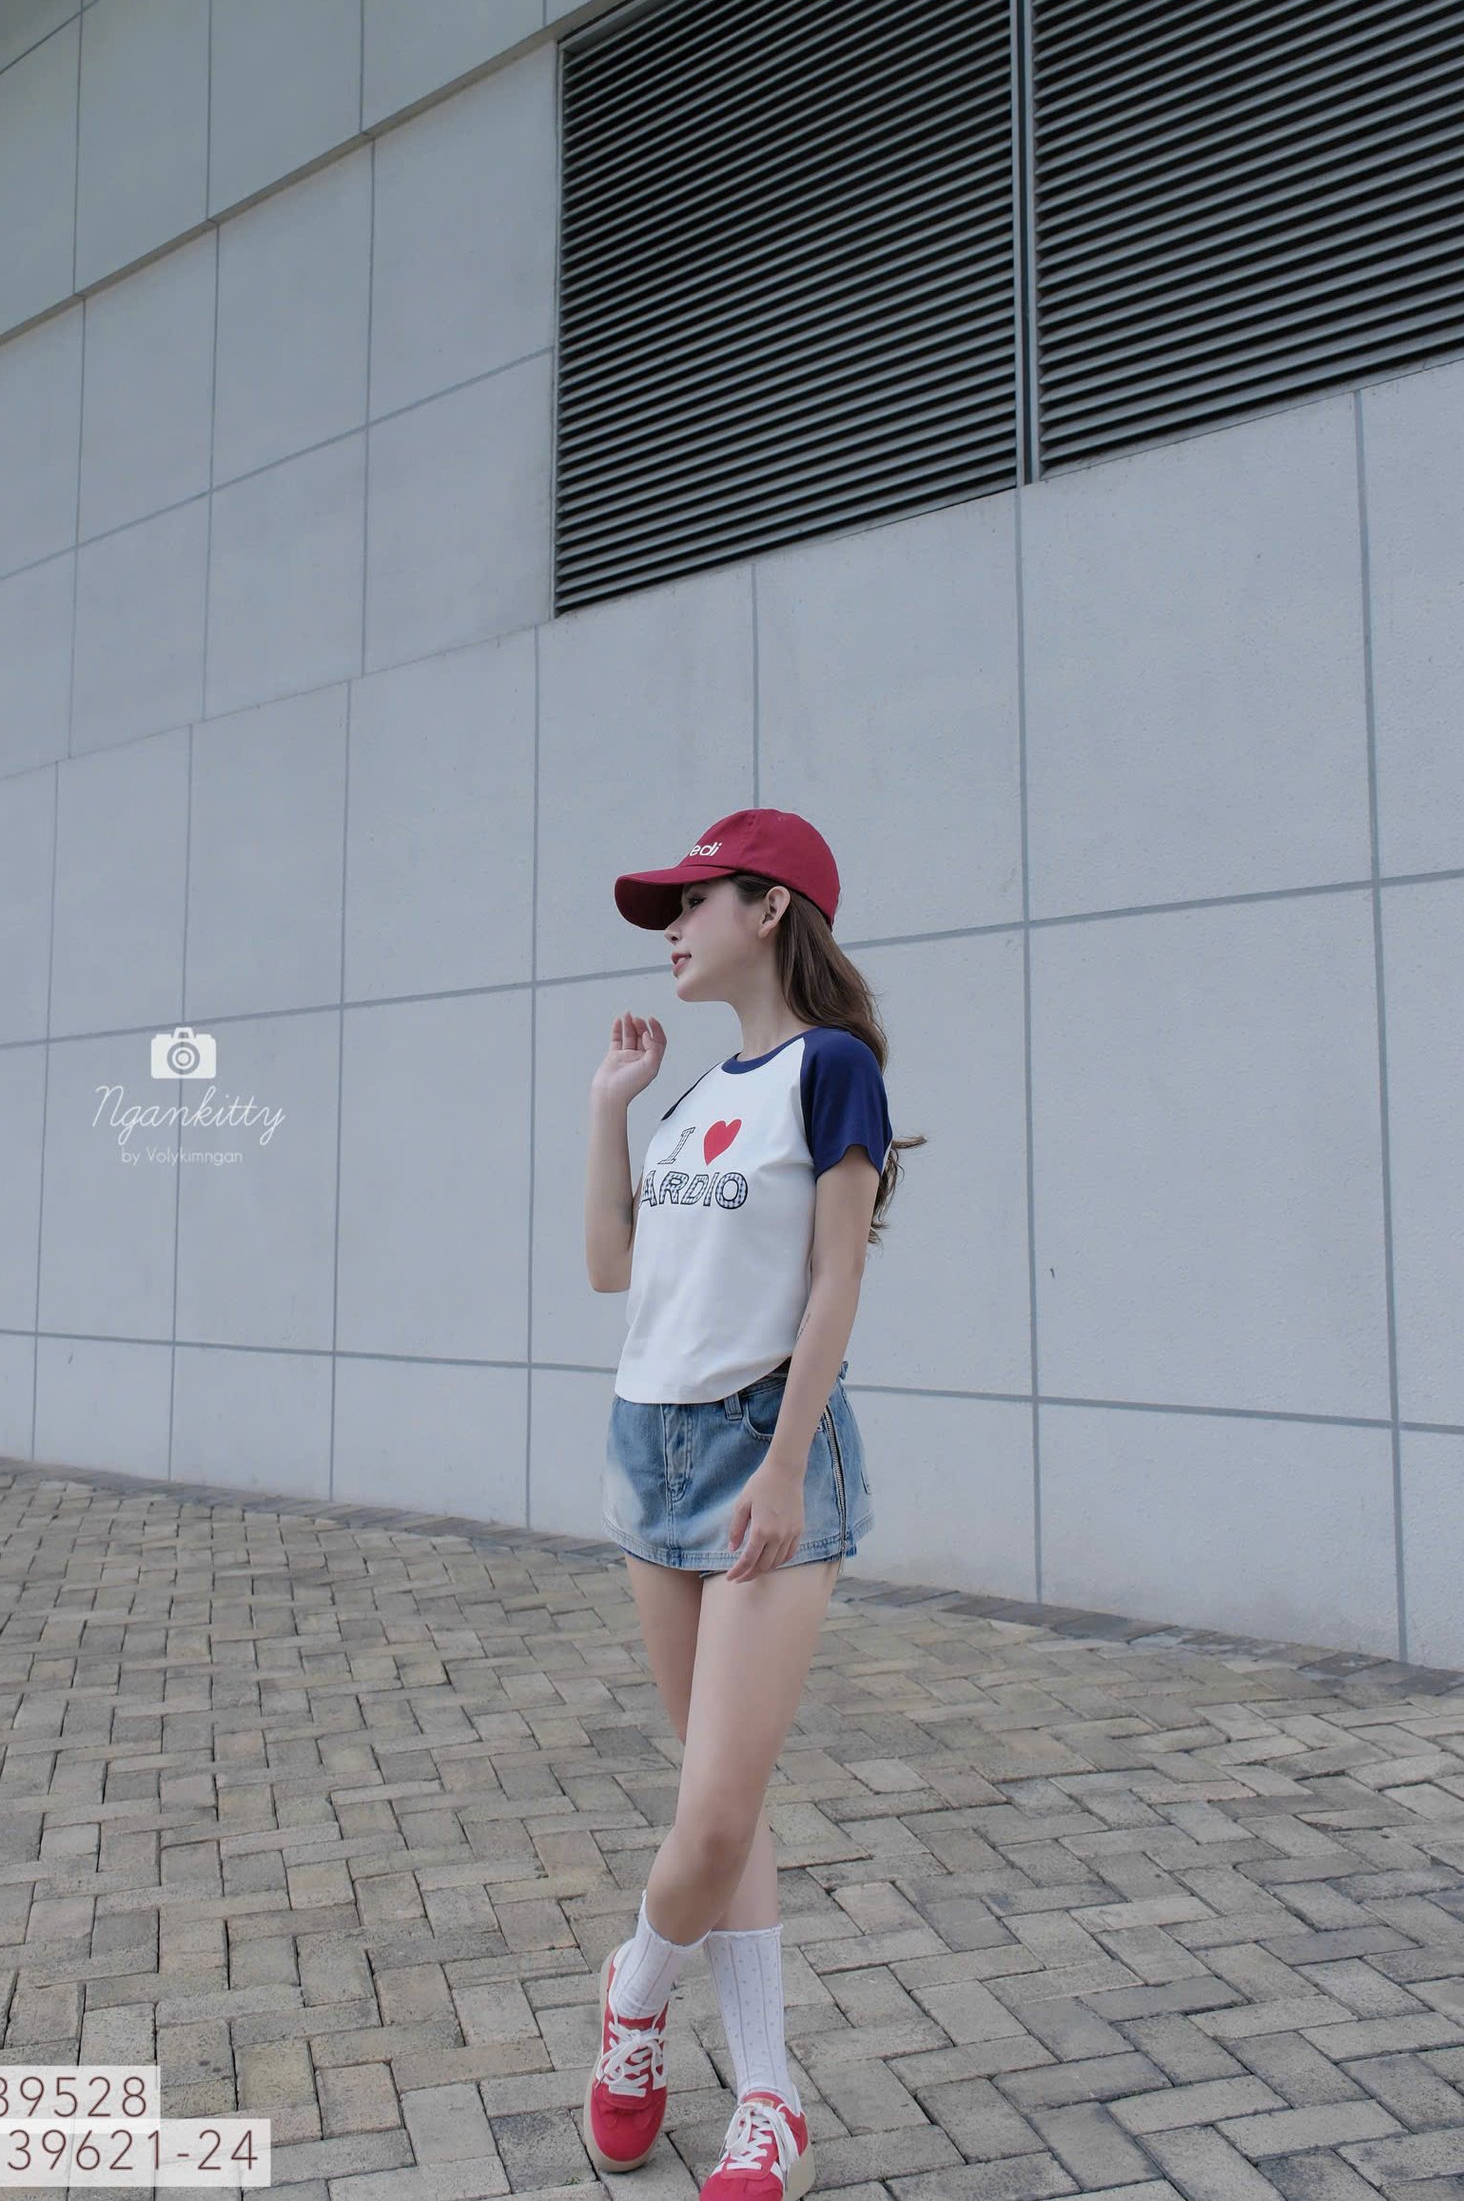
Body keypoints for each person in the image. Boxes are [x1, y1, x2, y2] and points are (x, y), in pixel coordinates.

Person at [579, 808, 924, 2199]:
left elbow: (838, 1279)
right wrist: (609, 1108)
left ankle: (633, 1994)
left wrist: (783, 1465)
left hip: (757, 1445)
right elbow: (612, 1268)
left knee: (715, 1817)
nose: (671, 928)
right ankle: (769, 2101)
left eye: (691, 902)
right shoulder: (693, 1098)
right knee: (723, 1798)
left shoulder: (830, 1070)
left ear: (769, 908)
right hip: (647, 1445)